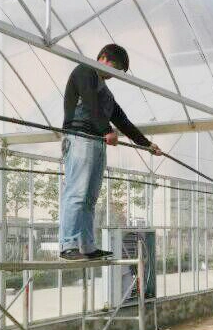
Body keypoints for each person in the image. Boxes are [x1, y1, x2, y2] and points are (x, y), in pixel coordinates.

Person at [59, 44, 161, 260]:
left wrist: (145, 144)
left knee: (89, 198)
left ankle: (86, 246)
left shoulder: (106, 92)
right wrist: (106, 129)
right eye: (115, 67)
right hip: (80, 138)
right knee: (76, 193)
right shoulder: (84, 71)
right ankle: (68, 244)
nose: (114, 75)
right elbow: (90, 101)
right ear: (103, 58)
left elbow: (122, 120)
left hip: (97, 142)